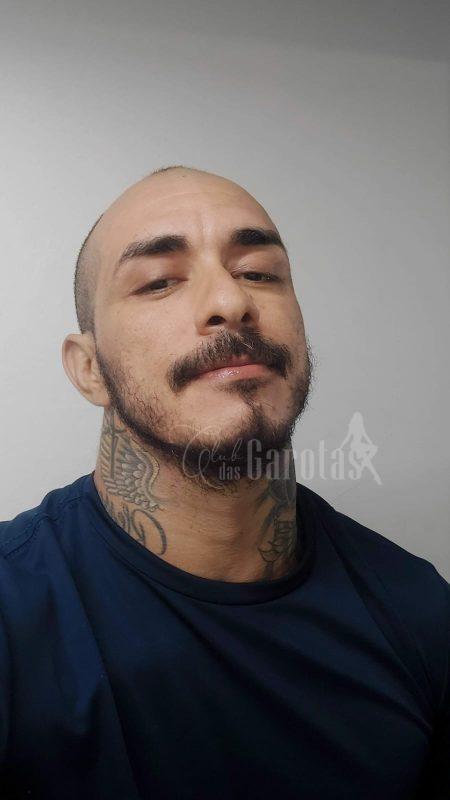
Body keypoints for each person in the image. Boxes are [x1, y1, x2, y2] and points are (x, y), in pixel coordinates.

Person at [0, 165, 448, 800]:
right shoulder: (12, 615)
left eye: (259, 272)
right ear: (88, 368)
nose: (231, 302)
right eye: (159, 281)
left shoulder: (420, 613)